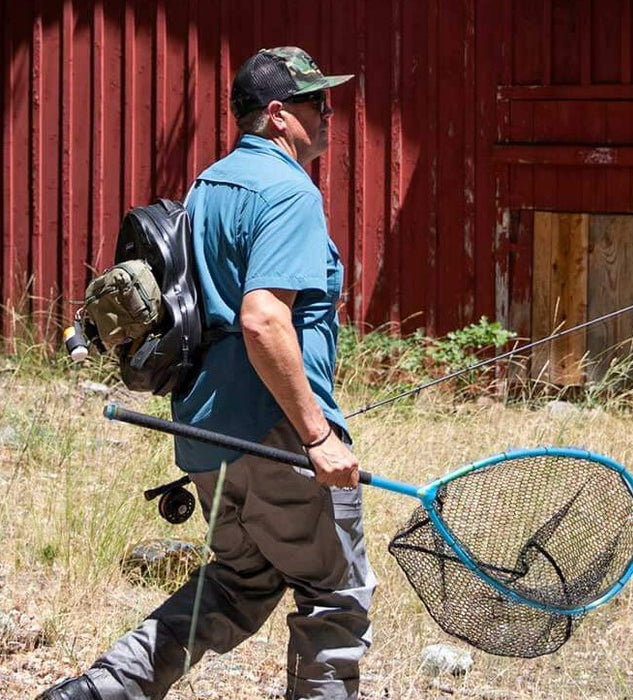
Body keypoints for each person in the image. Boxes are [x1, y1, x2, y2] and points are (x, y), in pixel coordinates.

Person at [38, 46, 376, 700]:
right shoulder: (290, 193)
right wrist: (317, 436)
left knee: (239, 582)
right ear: (279, 115)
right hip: (274, 434)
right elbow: (262, 322)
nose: (330, 115)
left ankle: (104, 690)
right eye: (318, 104)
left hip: (201, 431)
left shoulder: (208, 187)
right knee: (335, 594)